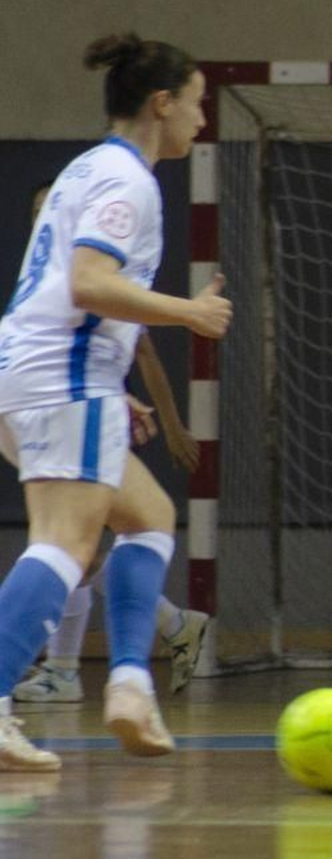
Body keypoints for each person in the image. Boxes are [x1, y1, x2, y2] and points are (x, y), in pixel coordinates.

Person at [0, 34, 231, 771]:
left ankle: (131, 685)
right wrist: (191, 313)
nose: (202, 119)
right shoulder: (128, 179)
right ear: (161, 104)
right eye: (195, 103)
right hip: (63, 376)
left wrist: (115, 385)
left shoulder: (87, 168)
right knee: (64, 543)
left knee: (149, 517)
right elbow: (89, 283)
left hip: (38, 371)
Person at [9, 185, 211, 706]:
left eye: (50, 208)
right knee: (83, 544)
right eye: (38, 210)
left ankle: (69, 670)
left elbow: (142, 352)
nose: (45, 216)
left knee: (75, 542)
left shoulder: (97, 269)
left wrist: (171, 425)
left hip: (82, 414)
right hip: (58, 406)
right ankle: (161, 636)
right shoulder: (46, 274)